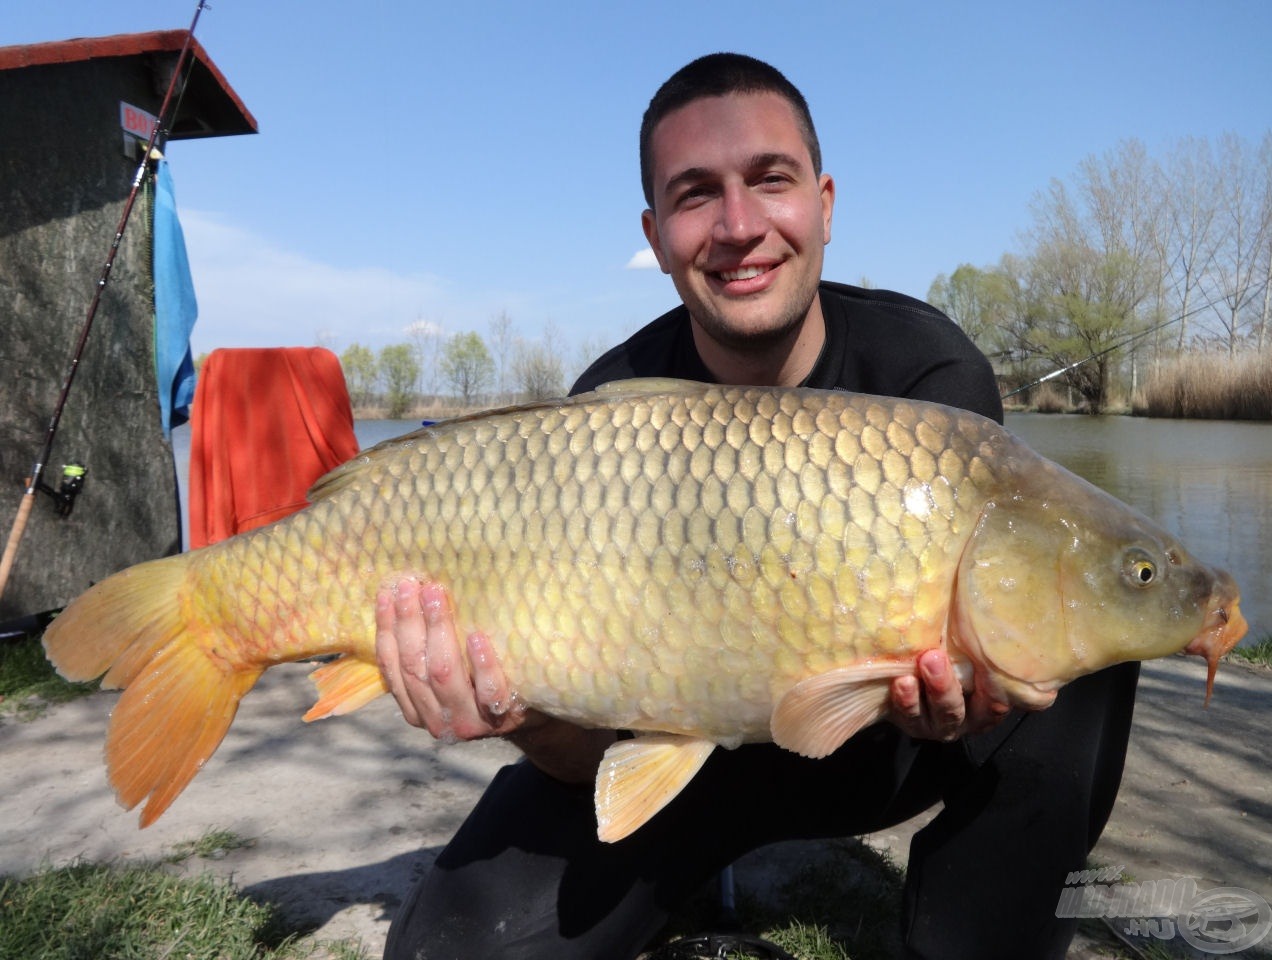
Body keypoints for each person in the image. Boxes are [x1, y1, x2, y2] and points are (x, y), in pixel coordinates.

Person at [377, 53, 1139, 960]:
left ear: (823, 202)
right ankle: (684, 876)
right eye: (697, 195)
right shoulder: (606, 407)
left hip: (880, 752)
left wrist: (969, 693)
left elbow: (986, 650)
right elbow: (591, 747)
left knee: (1090, 618)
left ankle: (971, 936)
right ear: (656, 236)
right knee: (450, 951)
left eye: (769, 180)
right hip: (681, 758)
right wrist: (527, 715)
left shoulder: (928, 383)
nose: (739, 226)